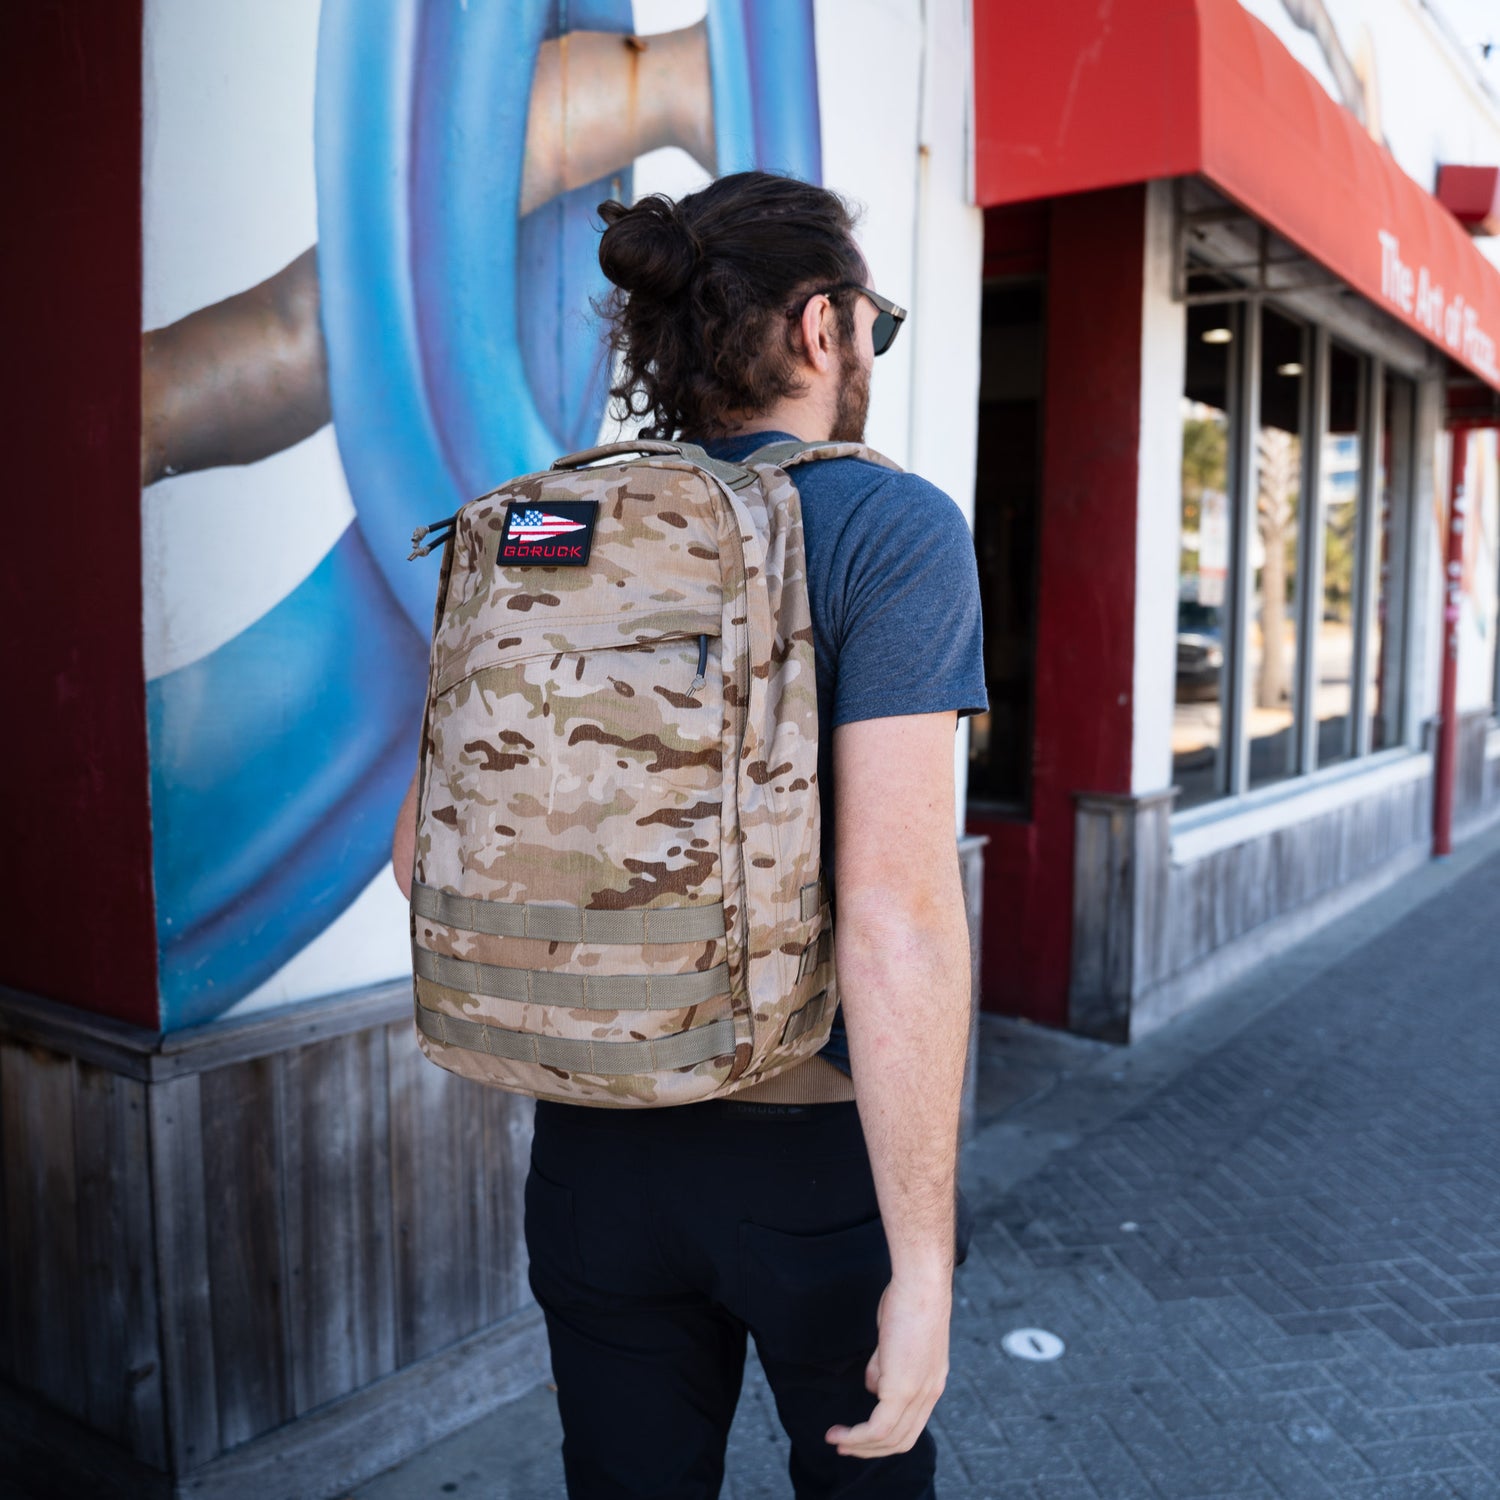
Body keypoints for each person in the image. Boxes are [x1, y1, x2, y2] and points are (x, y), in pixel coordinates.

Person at [395, 169, 986, 1499]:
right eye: (870, 326)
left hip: (589, 1159)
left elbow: (409, 860)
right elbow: (898, 922)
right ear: (824, 327)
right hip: (805, 1165)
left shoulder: (538, 526)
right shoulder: (889, 529)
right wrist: (929, 1267)